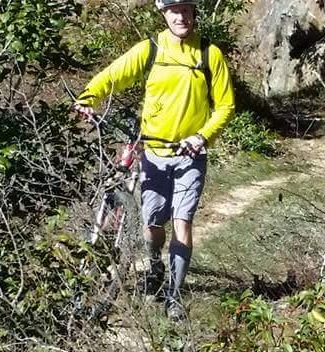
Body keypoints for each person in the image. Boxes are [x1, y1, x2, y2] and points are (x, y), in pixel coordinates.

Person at [73, 0, 235, 321]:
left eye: (186, 10)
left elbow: (226, 106)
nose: (181, 16)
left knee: (182, 222)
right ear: (164, 14)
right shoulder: (150, 50)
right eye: (174, 10)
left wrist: (201, 137)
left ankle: (174, 296)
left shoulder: (208, 54)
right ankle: (155, 264)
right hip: (154, 154)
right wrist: (88, 97)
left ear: (194, 13)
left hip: (191, 155)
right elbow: (113, 75)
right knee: (152, 225)